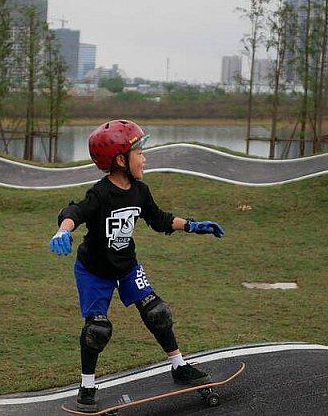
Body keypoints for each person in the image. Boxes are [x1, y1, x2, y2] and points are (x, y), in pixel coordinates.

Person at [49, 119, 225, 412]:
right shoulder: (100, 193)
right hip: (94, 271)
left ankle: (179, 366)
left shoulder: (140, 191)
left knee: (158, 312)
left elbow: (159, 218)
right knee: (97, 330)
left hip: (127, 266)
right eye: (140, 153)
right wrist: (62, 231)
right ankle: (87, 386)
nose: (144, 159)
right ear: (120, 160)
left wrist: (193, 226)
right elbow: (75, 211)